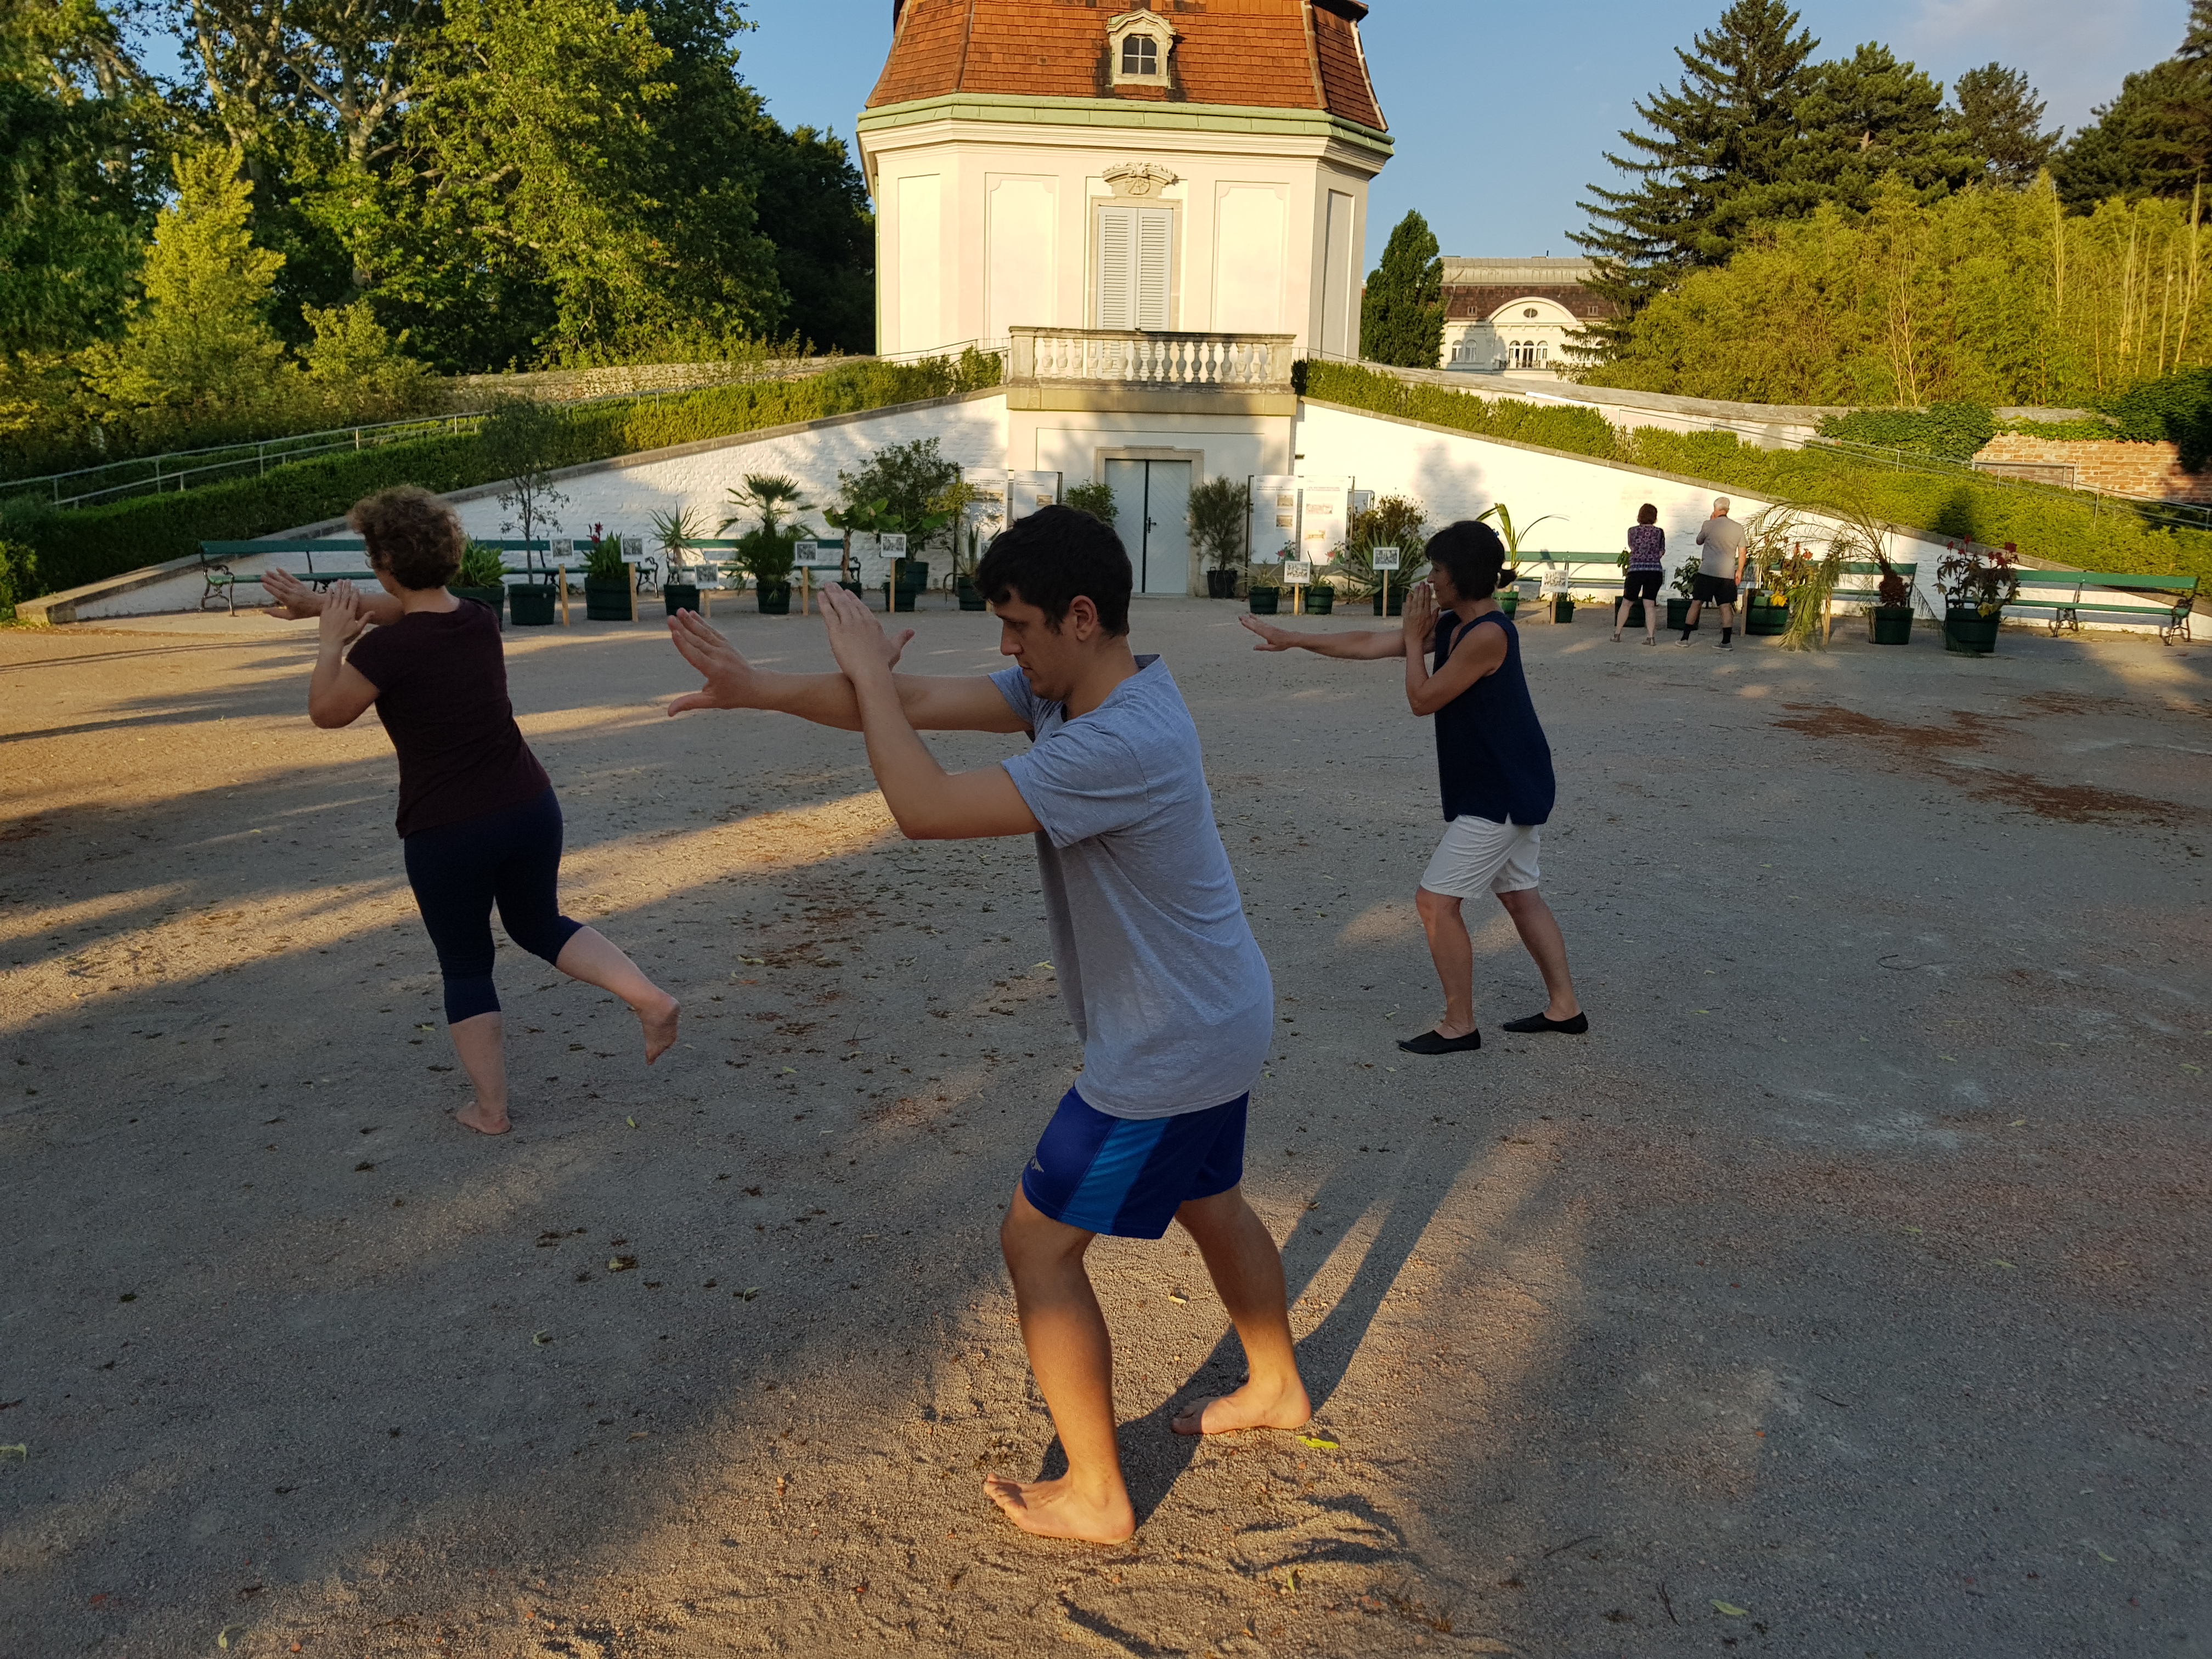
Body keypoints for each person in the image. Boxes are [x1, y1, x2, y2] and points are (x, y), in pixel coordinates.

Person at [663, 505, 1308, 1545]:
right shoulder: (1088, 690)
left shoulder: (1115, 740)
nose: (1005, 649)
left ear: (1082, 617)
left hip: (1169, 1038)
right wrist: (757, 688)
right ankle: (1275, 1382)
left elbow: (922, 803)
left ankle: (1098, 1493)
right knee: (1211, 1201)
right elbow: (908, 697)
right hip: (1214, 1008)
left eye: (1016, 625)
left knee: (1037, 1243)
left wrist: (868, 672)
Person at [261, 488, 679, 1136]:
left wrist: (327, 640)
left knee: (465, 962)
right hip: (529, 805)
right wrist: (326, 604)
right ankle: (649, 998)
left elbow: (328, 712)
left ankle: (491, 1110)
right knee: (539, 922)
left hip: (447, 828)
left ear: (383, 563)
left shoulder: (384, 651)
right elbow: (405, 611)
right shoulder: (479, 617)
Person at [1239, 519, 1585, 1056]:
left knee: (1434, 903)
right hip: (1510, 783)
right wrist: (1295, 638)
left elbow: (1423, 699)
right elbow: (1367, 643)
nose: (1431, 579)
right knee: (1519, 895)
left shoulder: (1488, 635)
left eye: (1438, 570)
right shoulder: (1455, 624)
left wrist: (1413, 641)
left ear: (1463, 576)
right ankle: (1566, 1009)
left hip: (1500, 792)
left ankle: (1459, 1025)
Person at [1680, 496, 1748, 648]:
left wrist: (1710, 522)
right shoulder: (1738, 528)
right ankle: (1726, 641)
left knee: (1696, 603)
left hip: (1707, 571)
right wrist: (1739, 571)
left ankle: (1685, 639)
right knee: (1725, 606)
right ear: (1728, 510)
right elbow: (1743, 552)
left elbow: (1699, 540)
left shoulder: (1708, 525)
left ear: (1715, 509)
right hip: (1727, 573)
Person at [1616, 502, 1666, 645]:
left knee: (1627, 603)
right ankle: (1651, 637)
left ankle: (1617, 634)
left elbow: (1632, 546)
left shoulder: (1632, 531)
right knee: (1649, 605)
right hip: (1654, 571)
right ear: (1655, 517)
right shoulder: (1659, 532)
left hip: (1636, 570)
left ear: (1640, 516)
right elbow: (1661, 552)